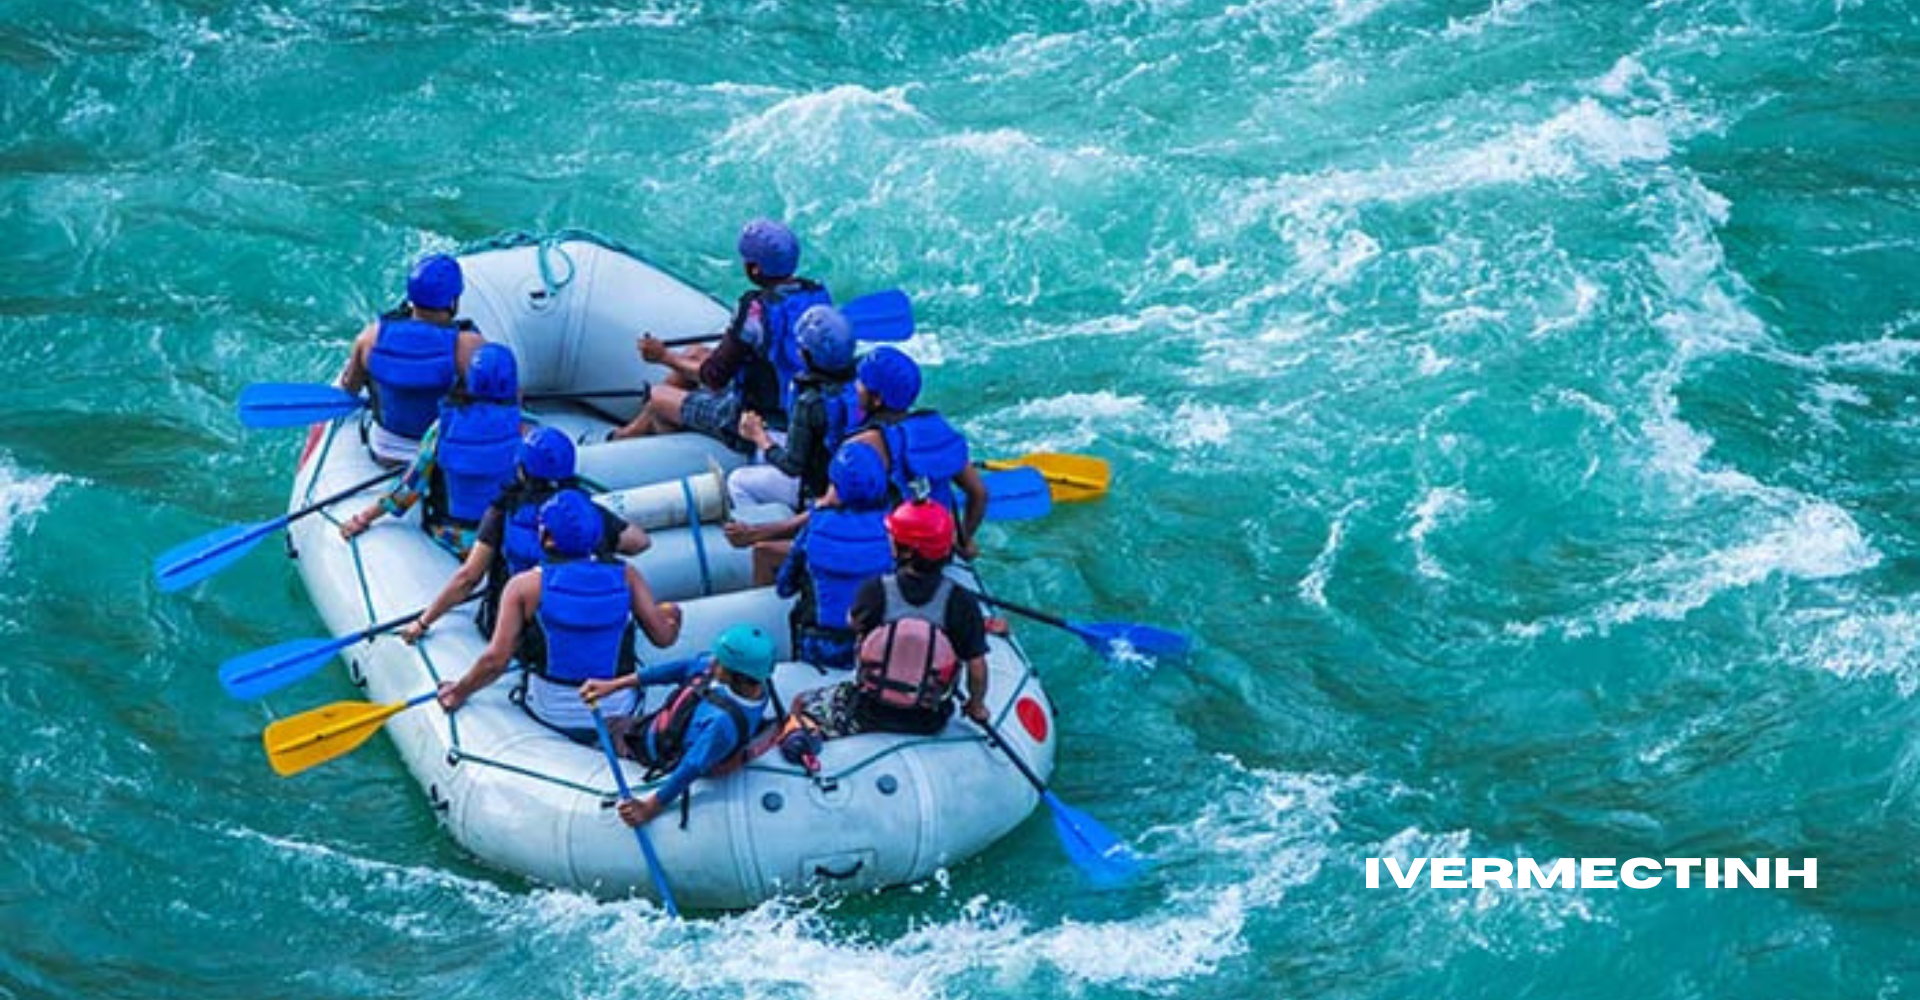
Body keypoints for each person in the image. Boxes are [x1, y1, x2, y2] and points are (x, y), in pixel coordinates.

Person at [436, 490, 682, 743]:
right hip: (617, 709)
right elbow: (663, 639)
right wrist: (674, 617)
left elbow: (495, 661)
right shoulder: (628, 575)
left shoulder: (523, 586)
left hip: (551, 711)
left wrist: (458, 691)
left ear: (547, 538)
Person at [398, 427, 650, 645]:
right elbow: (639, 542)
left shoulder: (503, 510)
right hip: (574, 628)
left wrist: (422, 622)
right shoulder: (585, 515)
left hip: (510, 629)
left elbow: (468, 578)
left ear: (522, 470)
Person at [607, 219, 831, 451]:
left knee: (656, 397)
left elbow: (714, 377)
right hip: (797, 403)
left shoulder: (754, 312)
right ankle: (633, 431)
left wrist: (663, 356)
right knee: (695, 352)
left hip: (755, 421)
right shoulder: (816, 292)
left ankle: (638, 441)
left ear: (755, 269)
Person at [788, 499, 990, 739]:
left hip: (870, 710)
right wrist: (976, 705)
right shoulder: (962, 602)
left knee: (801, 702)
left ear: (904, 549)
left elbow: (853, 623)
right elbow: (976, 667)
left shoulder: (875, 590)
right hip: (929, 718)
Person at [579, 624, 777, 827]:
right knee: (614, 724)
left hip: (646, 748)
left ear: (741, 677)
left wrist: (649, 808)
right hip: (650, 727)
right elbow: (676, 670)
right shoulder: (736, 677)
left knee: (596, 737)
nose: (713, 663)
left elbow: (691, 767)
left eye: (720, 663)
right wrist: (614, 685)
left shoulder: (722, 726)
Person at [340, 342, 522, 558]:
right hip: (501, 538)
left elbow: (410, 486)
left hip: (452, 537)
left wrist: (364, 517)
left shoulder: (443, 427)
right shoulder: (524, 431)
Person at [337, 253, 488, 465]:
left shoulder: (370, 337)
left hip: (386, 452)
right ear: (453, 301)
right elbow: (500, 400)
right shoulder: (469, 347)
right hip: (441, 453)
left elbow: (349, 387)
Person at [840, 347, 990, 560]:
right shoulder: (938, 429)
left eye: (861, 382)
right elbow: (979, 494)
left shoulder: (861, 445)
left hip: (893, 553)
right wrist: (963, 539)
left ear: (877, 399)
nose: (856, 387)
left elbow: (836, 502)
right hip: (938, 548)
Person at [726, 303, 863, 514]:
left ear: (810, 357)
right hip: (848, 474)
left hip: (815, 489)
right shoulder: (864, 383)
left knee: (737, 481)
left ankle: (766, 531)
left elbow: (792, 466)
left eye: (801, 348)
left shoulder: (810, 401)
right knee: (763, 449)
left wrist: (758, 436)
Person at [774, 440, 895, 670]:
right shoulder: (893, 531)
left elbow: (784, 587)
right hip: (876, 647)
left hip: (819, 645)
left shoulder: (815, 526)